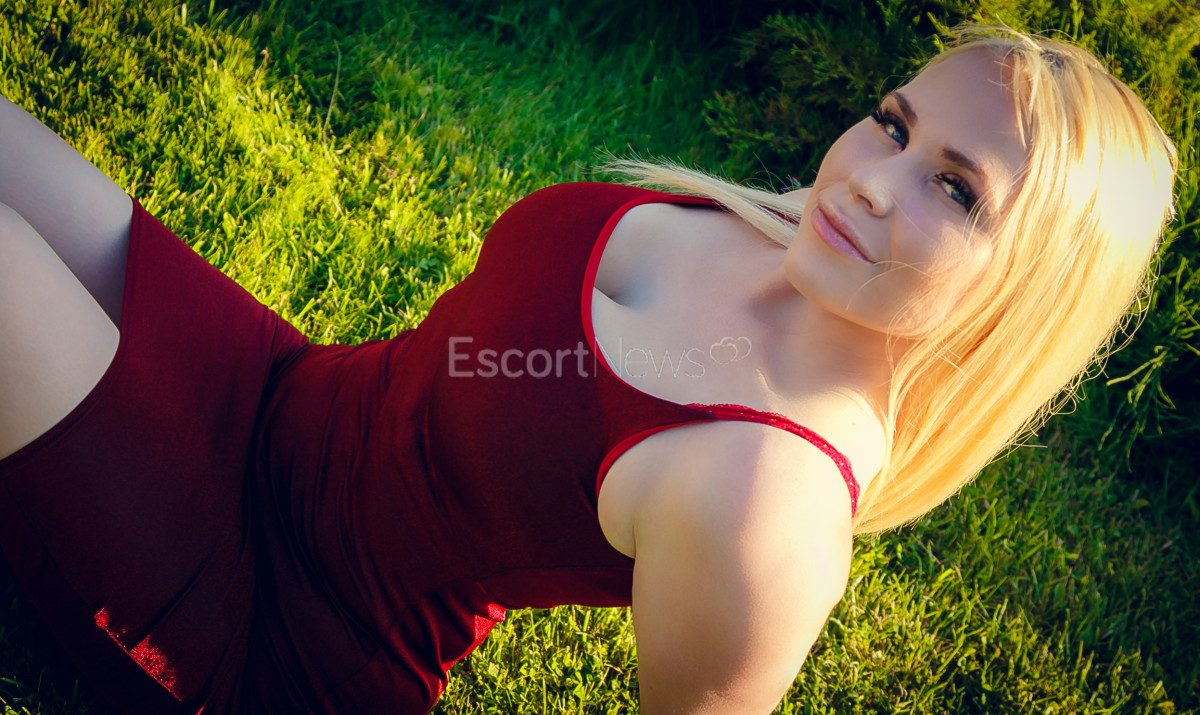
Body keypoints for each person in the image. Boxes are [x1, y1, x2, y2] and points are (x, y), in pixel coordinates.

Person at [0, 23, 1176, 715]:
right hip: (273, 393)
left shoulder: (768, 505)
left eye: (957, 191)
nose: (874, 178)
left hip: (266, 626)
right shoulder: (790, 233)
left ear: (1025, 293)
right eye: (896, 124)